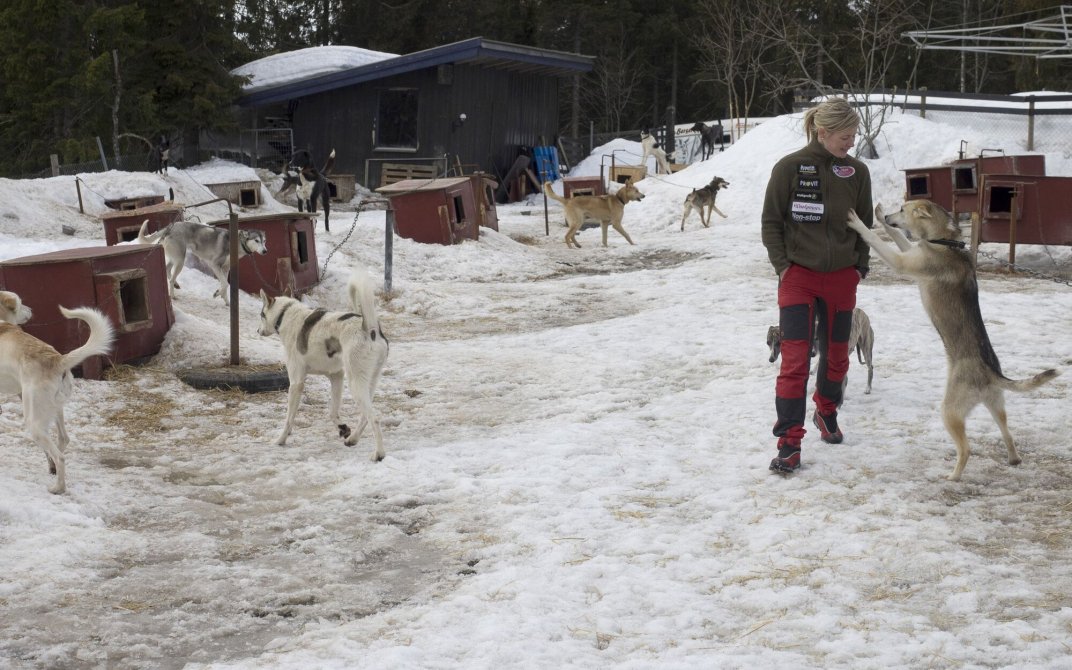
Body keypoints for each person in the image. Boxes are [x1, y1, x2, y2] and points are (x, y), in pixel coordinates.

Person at [761, 98, 873, 474]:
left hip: (841, 279)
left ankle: (826, 412)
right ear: (822, 132)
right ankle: (789, 444)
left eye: (854, 134)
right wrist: (783, 267)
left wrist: (859, 266)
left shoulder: (857, 172)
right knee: (794, 361)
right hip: (799, 278)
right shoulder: (790, 168)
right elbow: (771, 222)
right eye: (845, 136)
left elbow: (864, 224)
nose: (852, 142)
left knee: (838, 356)